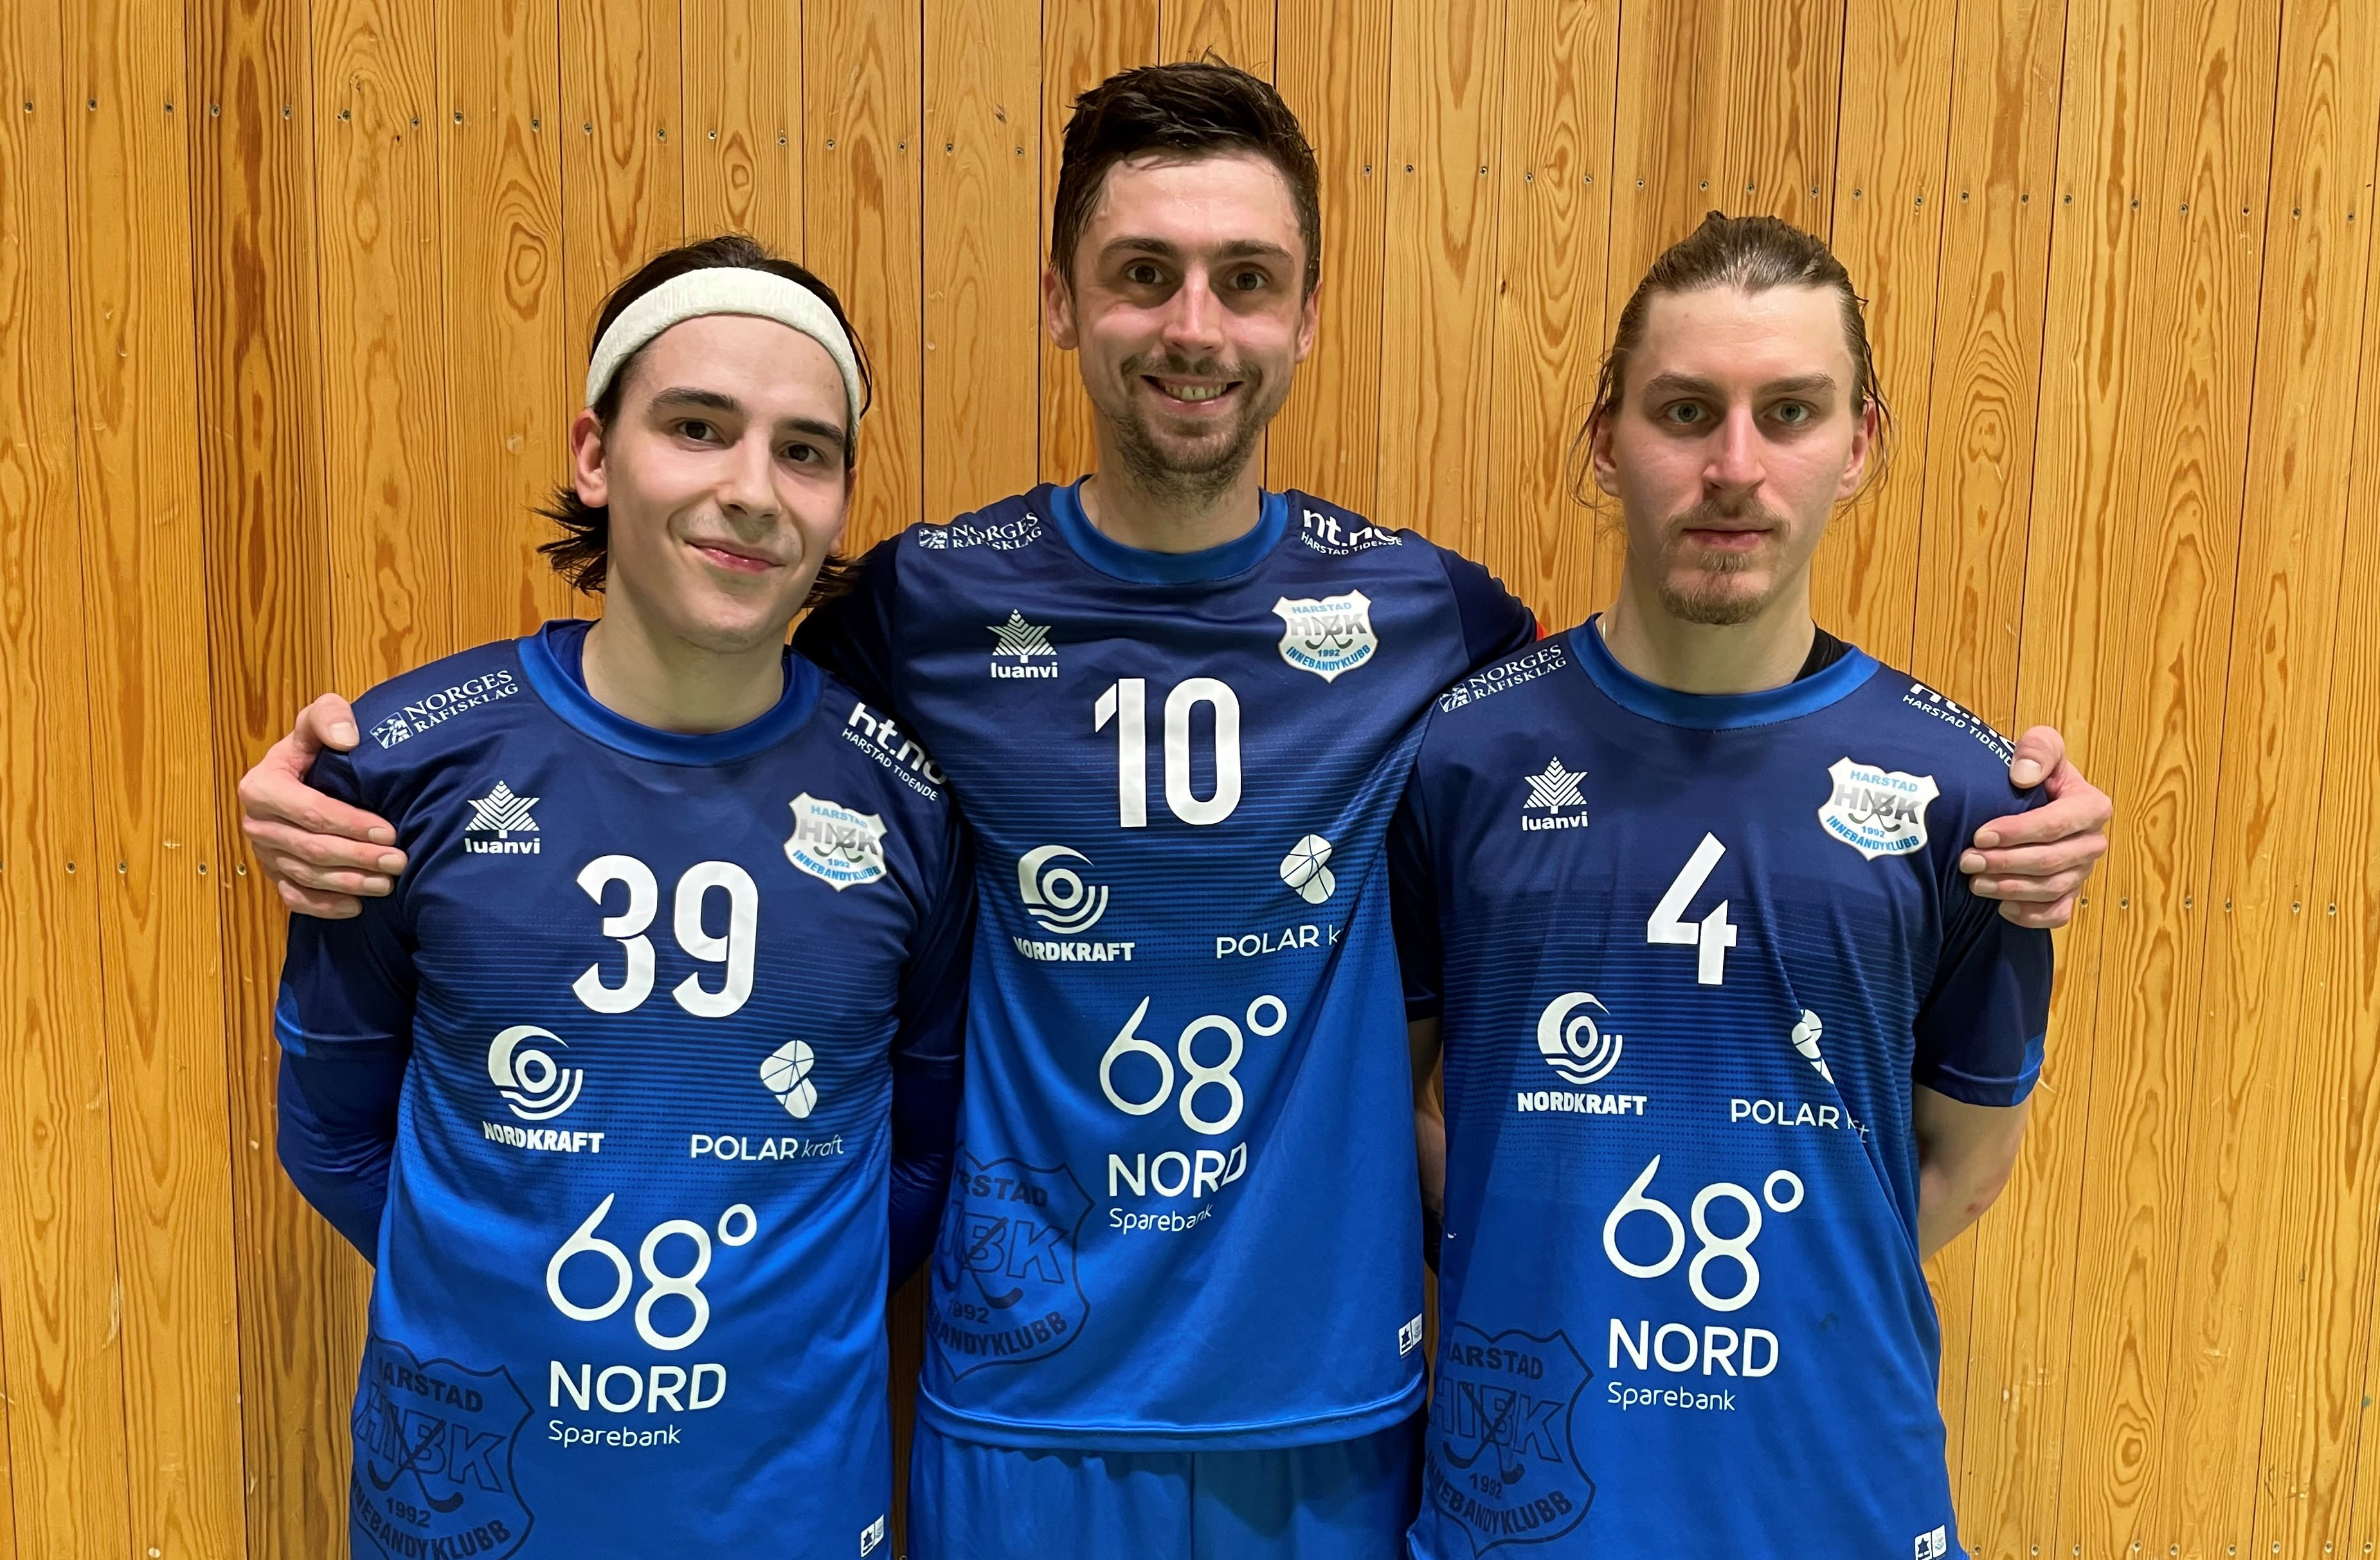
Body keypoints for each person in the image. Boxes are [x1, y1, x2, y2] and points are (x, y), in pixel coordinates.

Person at [241, 65, 2108, 1560]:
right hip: (1017, 1413)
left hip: (1336, 1412)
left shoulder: (1439, 628)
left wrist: (1997, 805)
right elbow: (674, 714)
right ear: (1062, 303)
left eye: (1244, 279)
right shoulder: (916, 606)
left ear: (1306, 316)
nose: (1192, 324)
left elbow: (1671, 749)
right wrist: (338, 782)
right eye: (1141, 272)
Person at [269, 235, 973, 1559]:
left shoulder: (907, 804)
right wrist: (502, 1296)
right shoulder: (402, 767)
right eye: (697, 427)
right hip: (468, 1511)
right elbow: (334, 1137)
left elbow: (924, 1156)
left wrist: (775, 1323)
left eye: (804, 450)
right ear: (595, 455)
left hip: (787, 1512)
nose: (750, 490)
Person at [1396, 212, 2054, 1559]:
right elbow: (1399, 1103)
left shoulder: (1971, 800)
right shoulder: (1462, 757)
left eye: (1790, 413)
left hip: (1834, 1504)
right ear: (1605, 438)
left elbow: (1963, 1165)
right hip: (1527, 1506)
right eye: (1686, 410)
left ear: (1860, 443)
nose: (1735, 468)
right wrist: (1542, 1256)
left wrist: (1788, 1299)